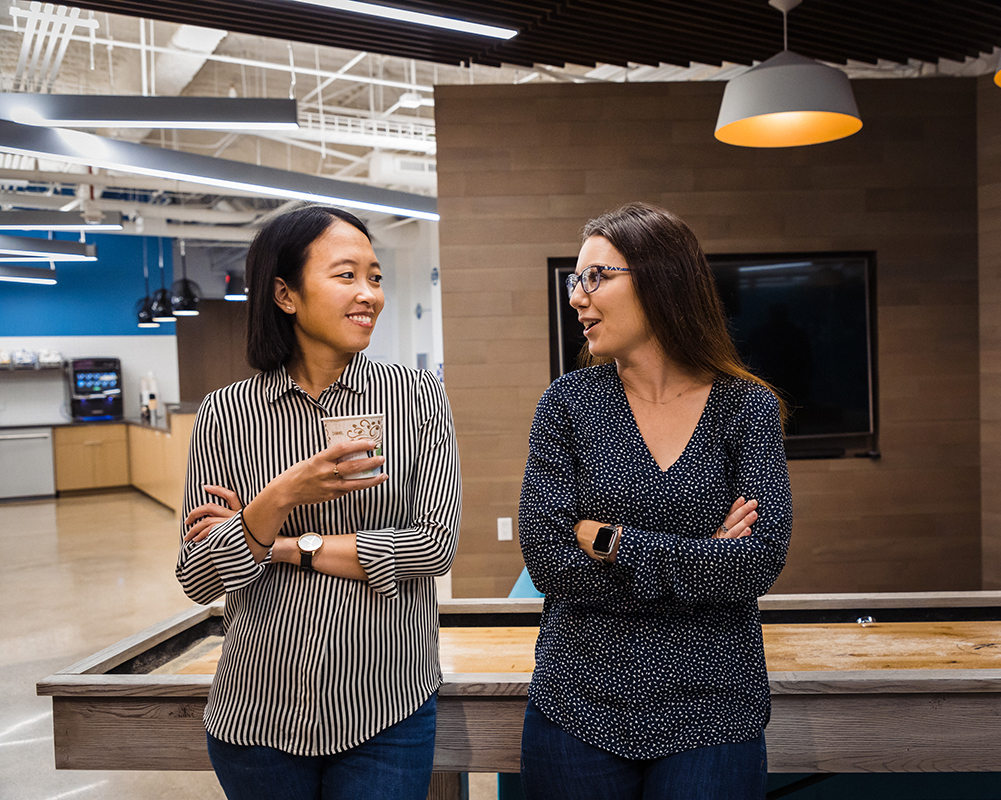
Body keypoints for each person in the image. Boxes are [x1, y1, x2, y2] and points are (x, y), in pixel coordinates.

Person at [175, 205, 461, 800]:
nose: (370, 295)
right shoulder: (224, 413)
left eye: (376, 277)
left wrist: (272, 542)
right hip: (257, 716)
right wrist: (283, 494)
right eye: (347, 275)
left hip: (389, 706)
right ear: (285, 294)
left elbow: (432, 547)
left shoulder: (419, 397)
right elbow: (199, 575)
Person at [518, 202, 792, 800]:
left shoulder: (746, 408)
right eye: (576, 280)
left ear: (662, 280)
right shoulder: (567, 404)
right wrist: (703, 557)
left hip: (714, 712)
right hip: (578, 705)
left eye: (597, 277)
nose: (577, 298)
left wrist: (614, 541)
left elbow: (757, 562)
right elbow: (547, 560)